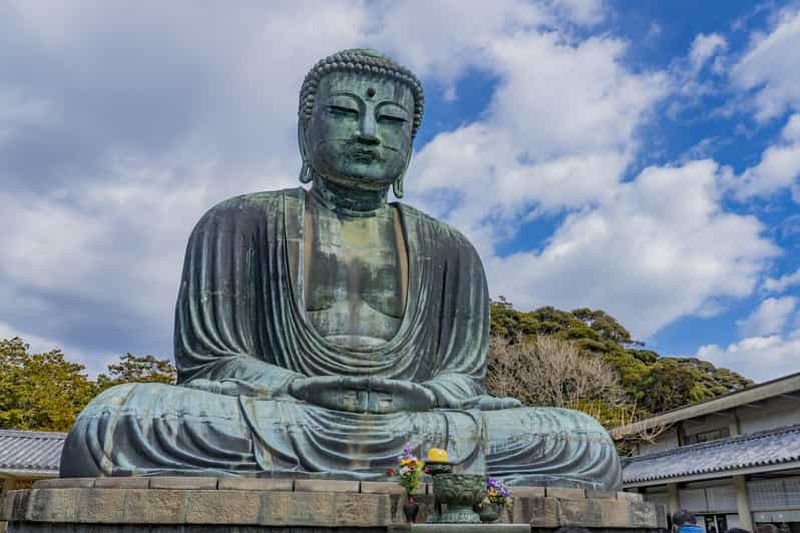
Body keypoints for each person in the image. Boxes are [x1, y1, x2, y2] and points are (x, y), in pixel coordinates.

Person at [59, 49, 621, 489]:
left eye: (391, 120)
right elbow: (211, 363)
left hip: (419, 427)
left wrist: (418, 397)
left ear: (410, 144)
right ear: (307, 130)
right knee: (114, 422)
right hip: (282, 417)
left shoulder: (452, 250)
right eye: (346, 112)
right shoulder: (238, 221)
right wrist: (299, 385)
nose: (369, 132)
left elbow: (462, 378)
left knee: (584, 441)